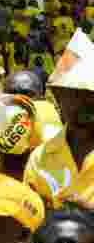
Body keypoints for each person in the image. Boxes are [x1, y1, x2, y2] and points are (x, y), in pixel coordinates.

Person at [25, 30, 94, 207]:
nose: (86, 101)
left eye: (91, 94)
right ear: (58, 96)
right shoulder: (40, 159)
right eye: (76, 93)